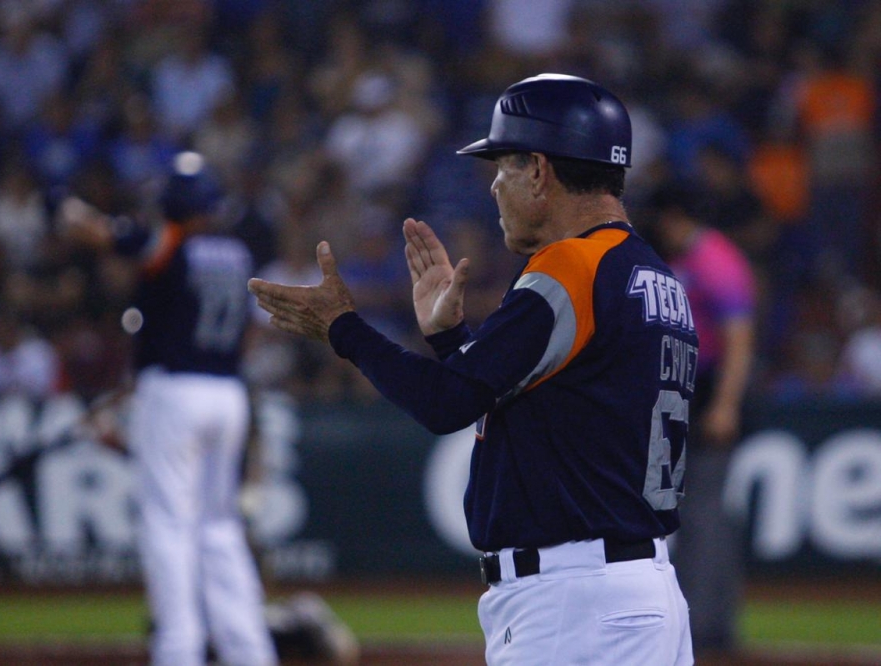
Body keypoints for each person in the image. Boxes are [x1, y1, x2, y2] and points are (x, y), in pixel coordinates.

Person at [249, 73, 696, 665]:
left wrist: (343, 329)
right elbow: (537, 406)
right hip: (634, 590)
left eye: (504, 167)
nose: (494, 188)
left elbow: (446, 404)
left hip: (575, 604)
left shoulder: (571, 266)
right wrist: (449, 336)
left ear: (539, 169)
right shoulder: (653, 275)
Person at [62, 152, 277, 666]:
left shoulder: (170, 242)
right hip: (227, 391)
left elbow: (94, 233)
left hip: (175, 390)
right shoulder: (238, 252)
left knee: (168, 526)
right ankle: (250, 653)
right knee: (219, 530)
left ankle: (177, 652)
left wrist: (60, 203)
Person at [645, 181, 757, 658]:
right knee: (672, 514)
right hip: (677, 395)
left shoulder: (716, 259)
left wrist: (726, 405)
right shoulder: (680, 258)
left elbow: (739, 338)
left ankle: (711, 627)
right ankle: (682, 621)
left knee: (705, 515)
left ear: (675, 216)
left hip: (707, 395)